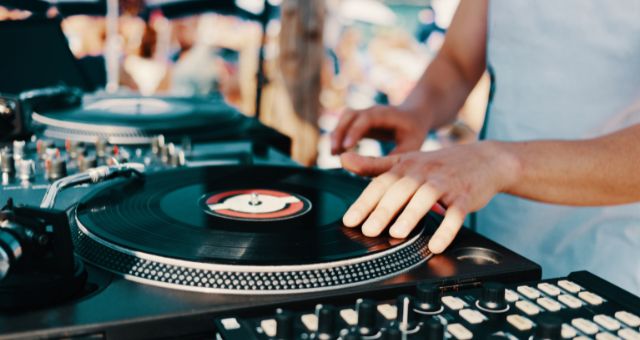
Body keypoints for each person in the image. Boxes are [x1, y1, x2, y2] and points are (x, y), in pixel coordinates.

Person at [330, 0, 640, 293]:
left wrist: (499, 162)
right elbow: (458, 62)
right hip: (496, 247)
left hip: (612, 262)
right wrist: (417, 111)